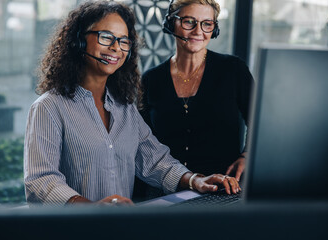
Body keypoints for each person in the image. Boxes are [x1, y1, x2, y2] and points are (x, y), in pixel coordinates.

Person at [23, 1, 240, 206]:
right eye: (106, 37)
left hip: (121, 228)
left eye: (123, 41)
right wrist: (92, 208)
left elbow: (156, 162)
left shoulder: (125, 108)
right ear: (79, 40)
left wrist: (196, 181)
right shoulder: (48, 107)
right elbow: (41, 181)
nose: (116, 48)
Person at [138, 0, 254, 197]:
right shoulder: (151, 79)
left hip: (225, 187)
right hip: (168, 190)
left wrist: (247, 154)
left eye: (207, 24)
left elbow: (262, 123)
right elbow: (143, 143)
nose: (198, 31)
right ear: (170, 24)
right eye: (189, 21)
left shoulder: (233, 70)